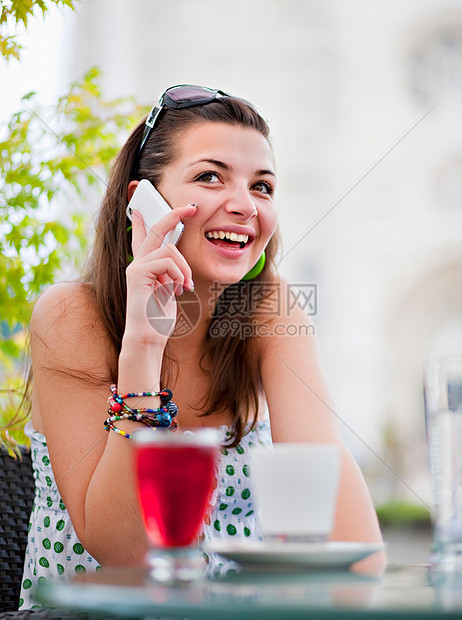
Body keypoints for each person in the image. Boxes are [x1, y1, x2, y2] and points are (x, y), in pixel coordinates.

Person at [20, 85, 383, 609]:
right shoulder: (71, 315)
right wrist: (143, 345)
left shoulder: (267, 309)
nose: (244, 205)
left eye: (262, 187)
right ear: (140, 199)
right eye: (209, 176)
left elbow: (349, 533)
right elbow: (130, 552)